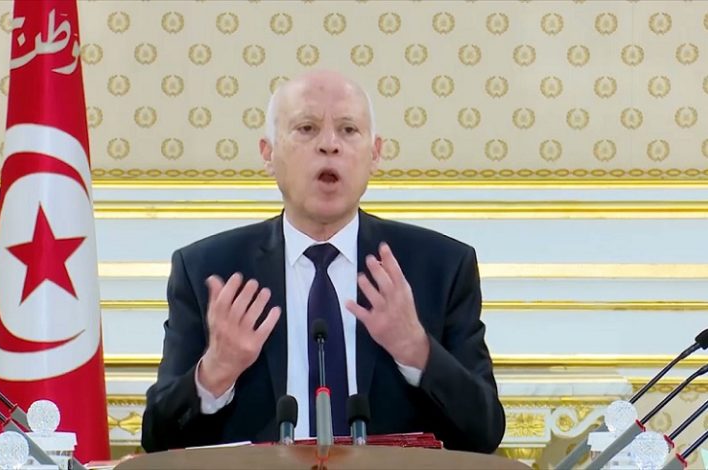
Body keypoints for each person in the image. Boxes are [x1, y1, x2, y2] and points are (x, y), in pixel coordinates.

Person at [141, 69, 505, 454]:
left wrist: (418, 351)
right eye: (306, 128)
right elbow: (158, 440)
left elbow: (484, 433)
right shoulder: (209, 270)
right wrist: (215, 372)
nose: (329, 145)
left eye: (348, 130)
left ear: (375, 154)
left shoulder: (440, 268)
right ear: (268, 154)